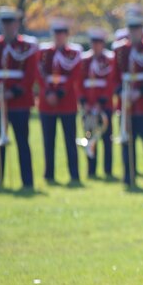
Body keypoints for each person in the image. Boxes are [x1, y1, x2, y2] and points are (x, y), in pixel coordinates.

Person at [0, 6, 39, 190]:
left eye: (11, 23)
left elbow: (31, 73)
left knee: (22, 141)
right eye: (5, 24)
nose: (8, 27)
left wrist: (15, 91)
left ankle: (27, 181)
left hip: (19, 102)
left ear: (17, 24)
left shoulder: (27, 46)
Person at [113, 10, 143, 187]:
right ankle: (129, 176)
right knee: (127, 142)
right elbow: (115, 76)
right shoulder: (120, 50)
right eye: (131, 29)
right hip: (126, 104)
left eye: (137, 29)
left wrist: (140, 92)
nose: (134, 33)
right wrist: (121, 93)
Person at [36, 18, 84, 185]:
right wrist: (48, 92)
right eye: (56, 34)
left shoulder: (74, 53)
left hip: (67, 102)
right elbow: (39, 75)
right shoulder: (43, 53)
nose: (59, 37)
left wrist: (60, 93)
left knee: (70, 140)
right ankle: (49, 174)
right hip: (47, 102)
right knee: (48, 141)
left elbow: (74, 75)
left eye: (62, 34)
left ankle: (74, 174)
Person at [77, 28, 116, 179]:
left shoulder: (109, 60)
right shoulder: (84, 61)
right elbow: (79, 84)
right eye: (93, 43)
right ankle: (91, 170)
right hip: (88, 108)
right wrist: (84, 102)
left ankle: (108, 170)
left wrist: (101, 103)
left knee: (107, 138)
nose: (96, 46)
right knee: (90, 138)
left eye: (99, 43)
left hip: (103, 107)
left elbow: (110, 83)